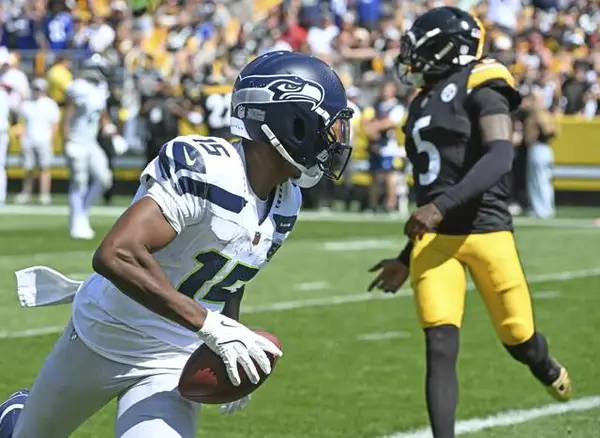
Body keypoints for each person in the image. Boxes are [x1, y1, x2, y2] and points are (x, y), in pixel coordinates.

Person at [0, 51, 353, 438]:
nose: (334, 141)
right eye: (327, 127)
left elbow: (231, 272)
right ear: (291, 122)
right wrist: (210, 325)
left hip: (173, 357)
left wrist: (229, 337)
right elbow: (116, 254)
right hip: (103, 334)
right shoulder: (208, 169)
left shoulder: (287, 200)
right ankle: (14, 416)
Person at [367, 7, 571, 438]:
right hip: (435, 239)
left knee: (519, 338)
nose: (412, 56)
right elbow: (432, 188)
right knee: (439, 346)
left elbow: (501, 154)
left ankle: (545, 365)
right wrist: (405, 256)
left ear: (447, 47)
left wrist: (440, 208)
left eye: (421, 47)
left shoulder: (483, 80)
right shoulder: (421, 100)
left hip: (486, 230)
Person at [63, 68, 115, 240]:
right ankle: (76, 221)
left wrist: (110, 129)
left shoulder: (99, 92)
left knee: (104, 178)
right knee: (79, 182)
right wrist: (67, 138)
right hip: (77, 142)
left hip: (91, 143)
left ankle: (82, 213)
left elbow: (102, 114)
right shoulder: (80, 89)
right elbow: (69, 113)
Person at [15, 78, 61, 205]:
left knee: (44, 168)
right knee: (28, 168)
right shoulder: (27, 104)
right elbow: (22, 123)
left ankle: (44, 194)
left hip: (44, 140)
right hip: (28, 140)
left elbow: (55, 124)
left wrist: (51, 139)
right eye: (36, 89)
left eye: (40, 89)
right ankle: (26, 193)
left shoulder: (50, 104)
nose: (38, 92)